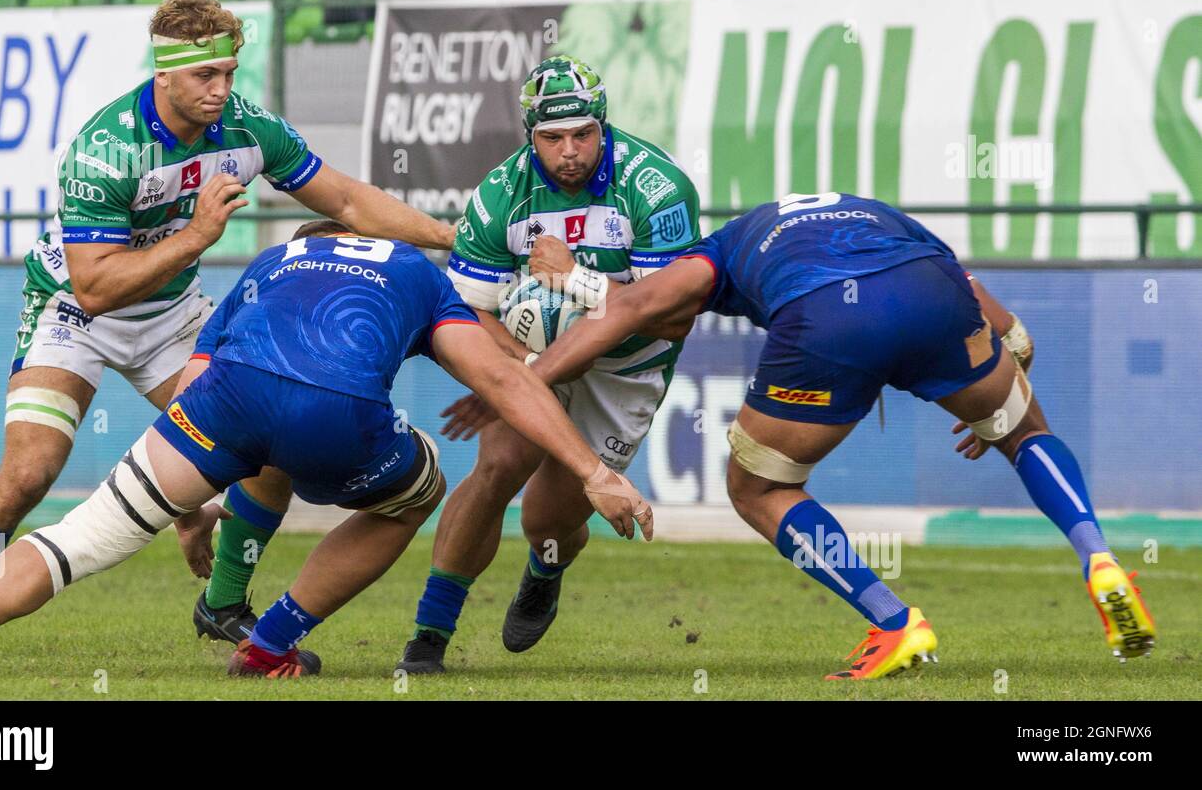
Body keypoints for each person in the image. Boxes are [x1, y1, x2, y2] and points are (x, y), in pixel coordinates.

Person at [0, 0, 456, 661]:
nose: (223, 90)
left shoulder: (247, 129)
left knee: (270, 442)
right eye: (206, 76)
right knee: (28, 475)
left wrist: (445, 236)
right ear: (163, 73)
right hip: (73, 313)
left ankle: (224, 604)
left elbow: (343, 199)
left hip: (172, 317)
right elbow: (96, 286)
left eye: (229, 73)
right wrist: (198, 234)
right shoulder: (105, 149)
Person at [0, 221, 653, 679]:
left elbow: (197, 375)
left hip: (225, 404)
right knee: (416, 495)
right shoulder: (414, 271)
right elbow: (498, 378)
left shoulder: (270, 261)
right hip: (339, 418)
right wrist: (593, 470)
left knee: (78, 539)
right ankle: (268, 649)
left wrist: (189, 498)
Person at [454, 192, 1158, 679]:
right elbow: (1008, 327)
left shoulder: (724, 247)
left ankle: (892, 620)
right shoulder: (882, 218)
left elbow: (638, 307)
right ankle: (1100, 558)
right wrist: (998, 400)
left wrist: (529, 373)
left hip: (831, 320)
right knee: (1025, 430)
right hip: (930, 288)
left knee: (756, 486)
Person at [394, 55, 702, 674]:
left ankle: (545, 567)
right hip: (536, 357)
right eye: (552, 138)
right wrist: (528, 367)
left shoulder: (657, 185)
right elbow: (468, 314)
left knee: (548, 519)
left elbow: (674, 317)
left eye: (583, 134)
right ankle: (429, 636)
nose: (570, 151)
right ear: (529, 134)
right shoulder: (498, 197)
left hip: (627, 368)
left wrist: (577, 282)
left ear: (603, 125)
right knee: (496, 467)